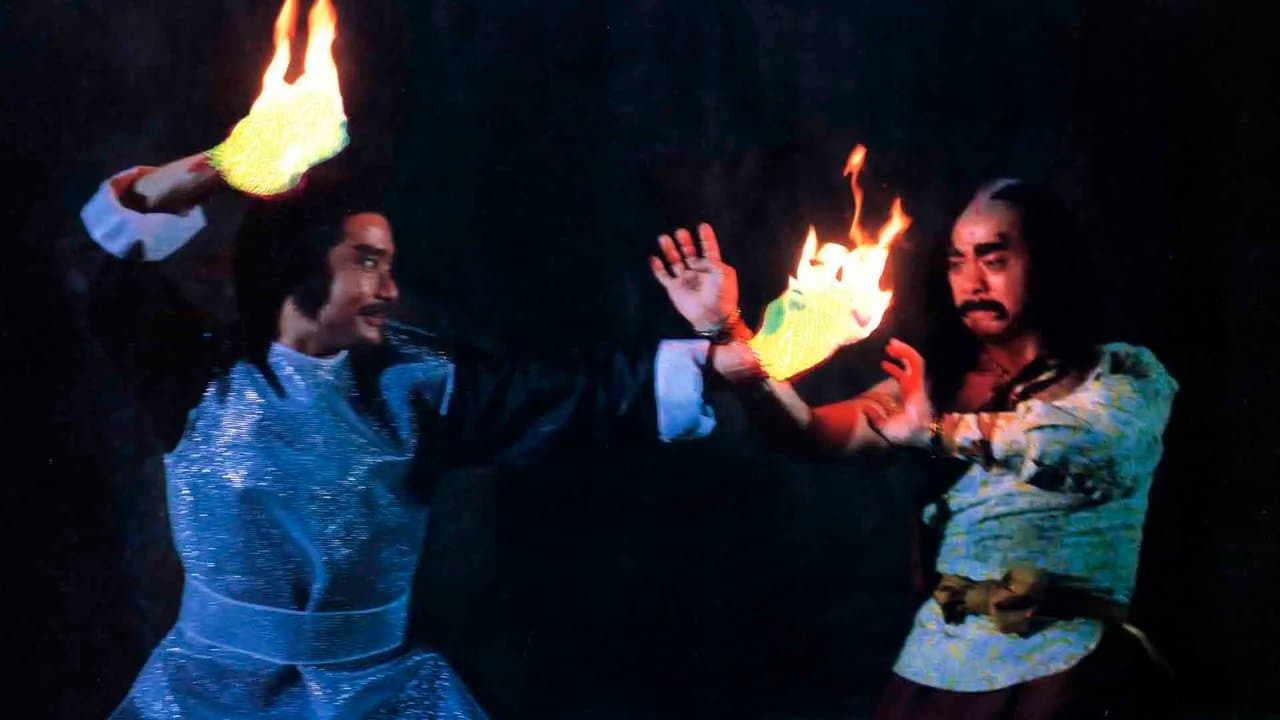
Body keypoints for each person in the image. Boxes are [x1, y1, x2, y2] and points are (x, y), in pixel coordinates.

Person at [78, 151, 735, 719]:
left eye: (389, 266)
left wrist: (720, 351)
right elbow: (107, 260)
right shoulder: (197, 375)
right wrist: (227, 161)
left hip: (381, 696)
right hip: (207, 694)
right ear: (299, 264)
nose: (390, 290)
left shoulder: (419, 384)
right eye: (368, 263)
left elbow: (576, 394)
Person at [652, 179, 1178, 718]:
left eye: (994, 260)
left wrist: (937, 432)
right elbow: (808, 432)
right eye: (957, 262)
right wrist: (726, 331)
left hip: (1068, 672)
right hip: (933, 671)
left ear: (1048, 262)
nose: (972, 281)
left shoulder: (1119, 374)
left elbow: (1090, 447)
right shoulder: (932, 387)